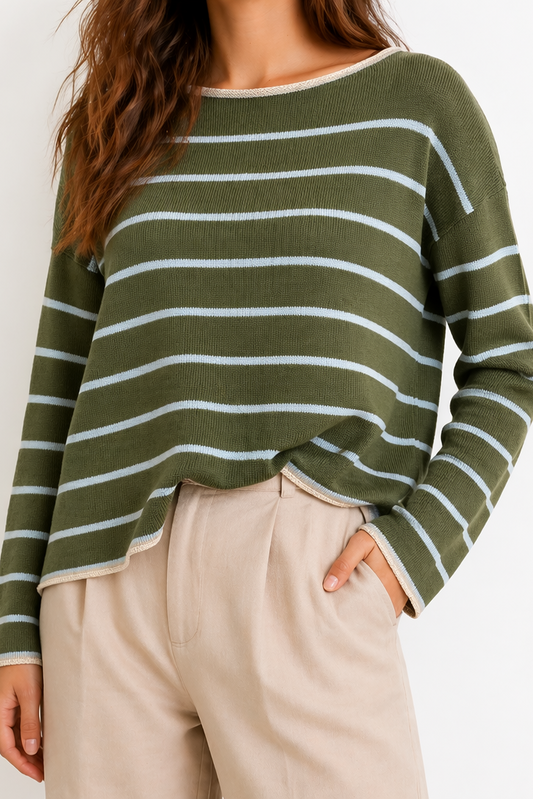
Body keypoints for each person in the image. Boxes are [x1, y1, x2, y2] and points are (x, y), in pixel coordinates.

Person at [1, 0, 532, 796]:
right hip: (102, 587)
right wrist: (16, 620)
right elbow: (60, 384)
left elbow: (509, 361)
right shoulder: (114, 123)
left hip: (304, 572)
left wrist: (409, 553)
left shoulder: (417, 107)